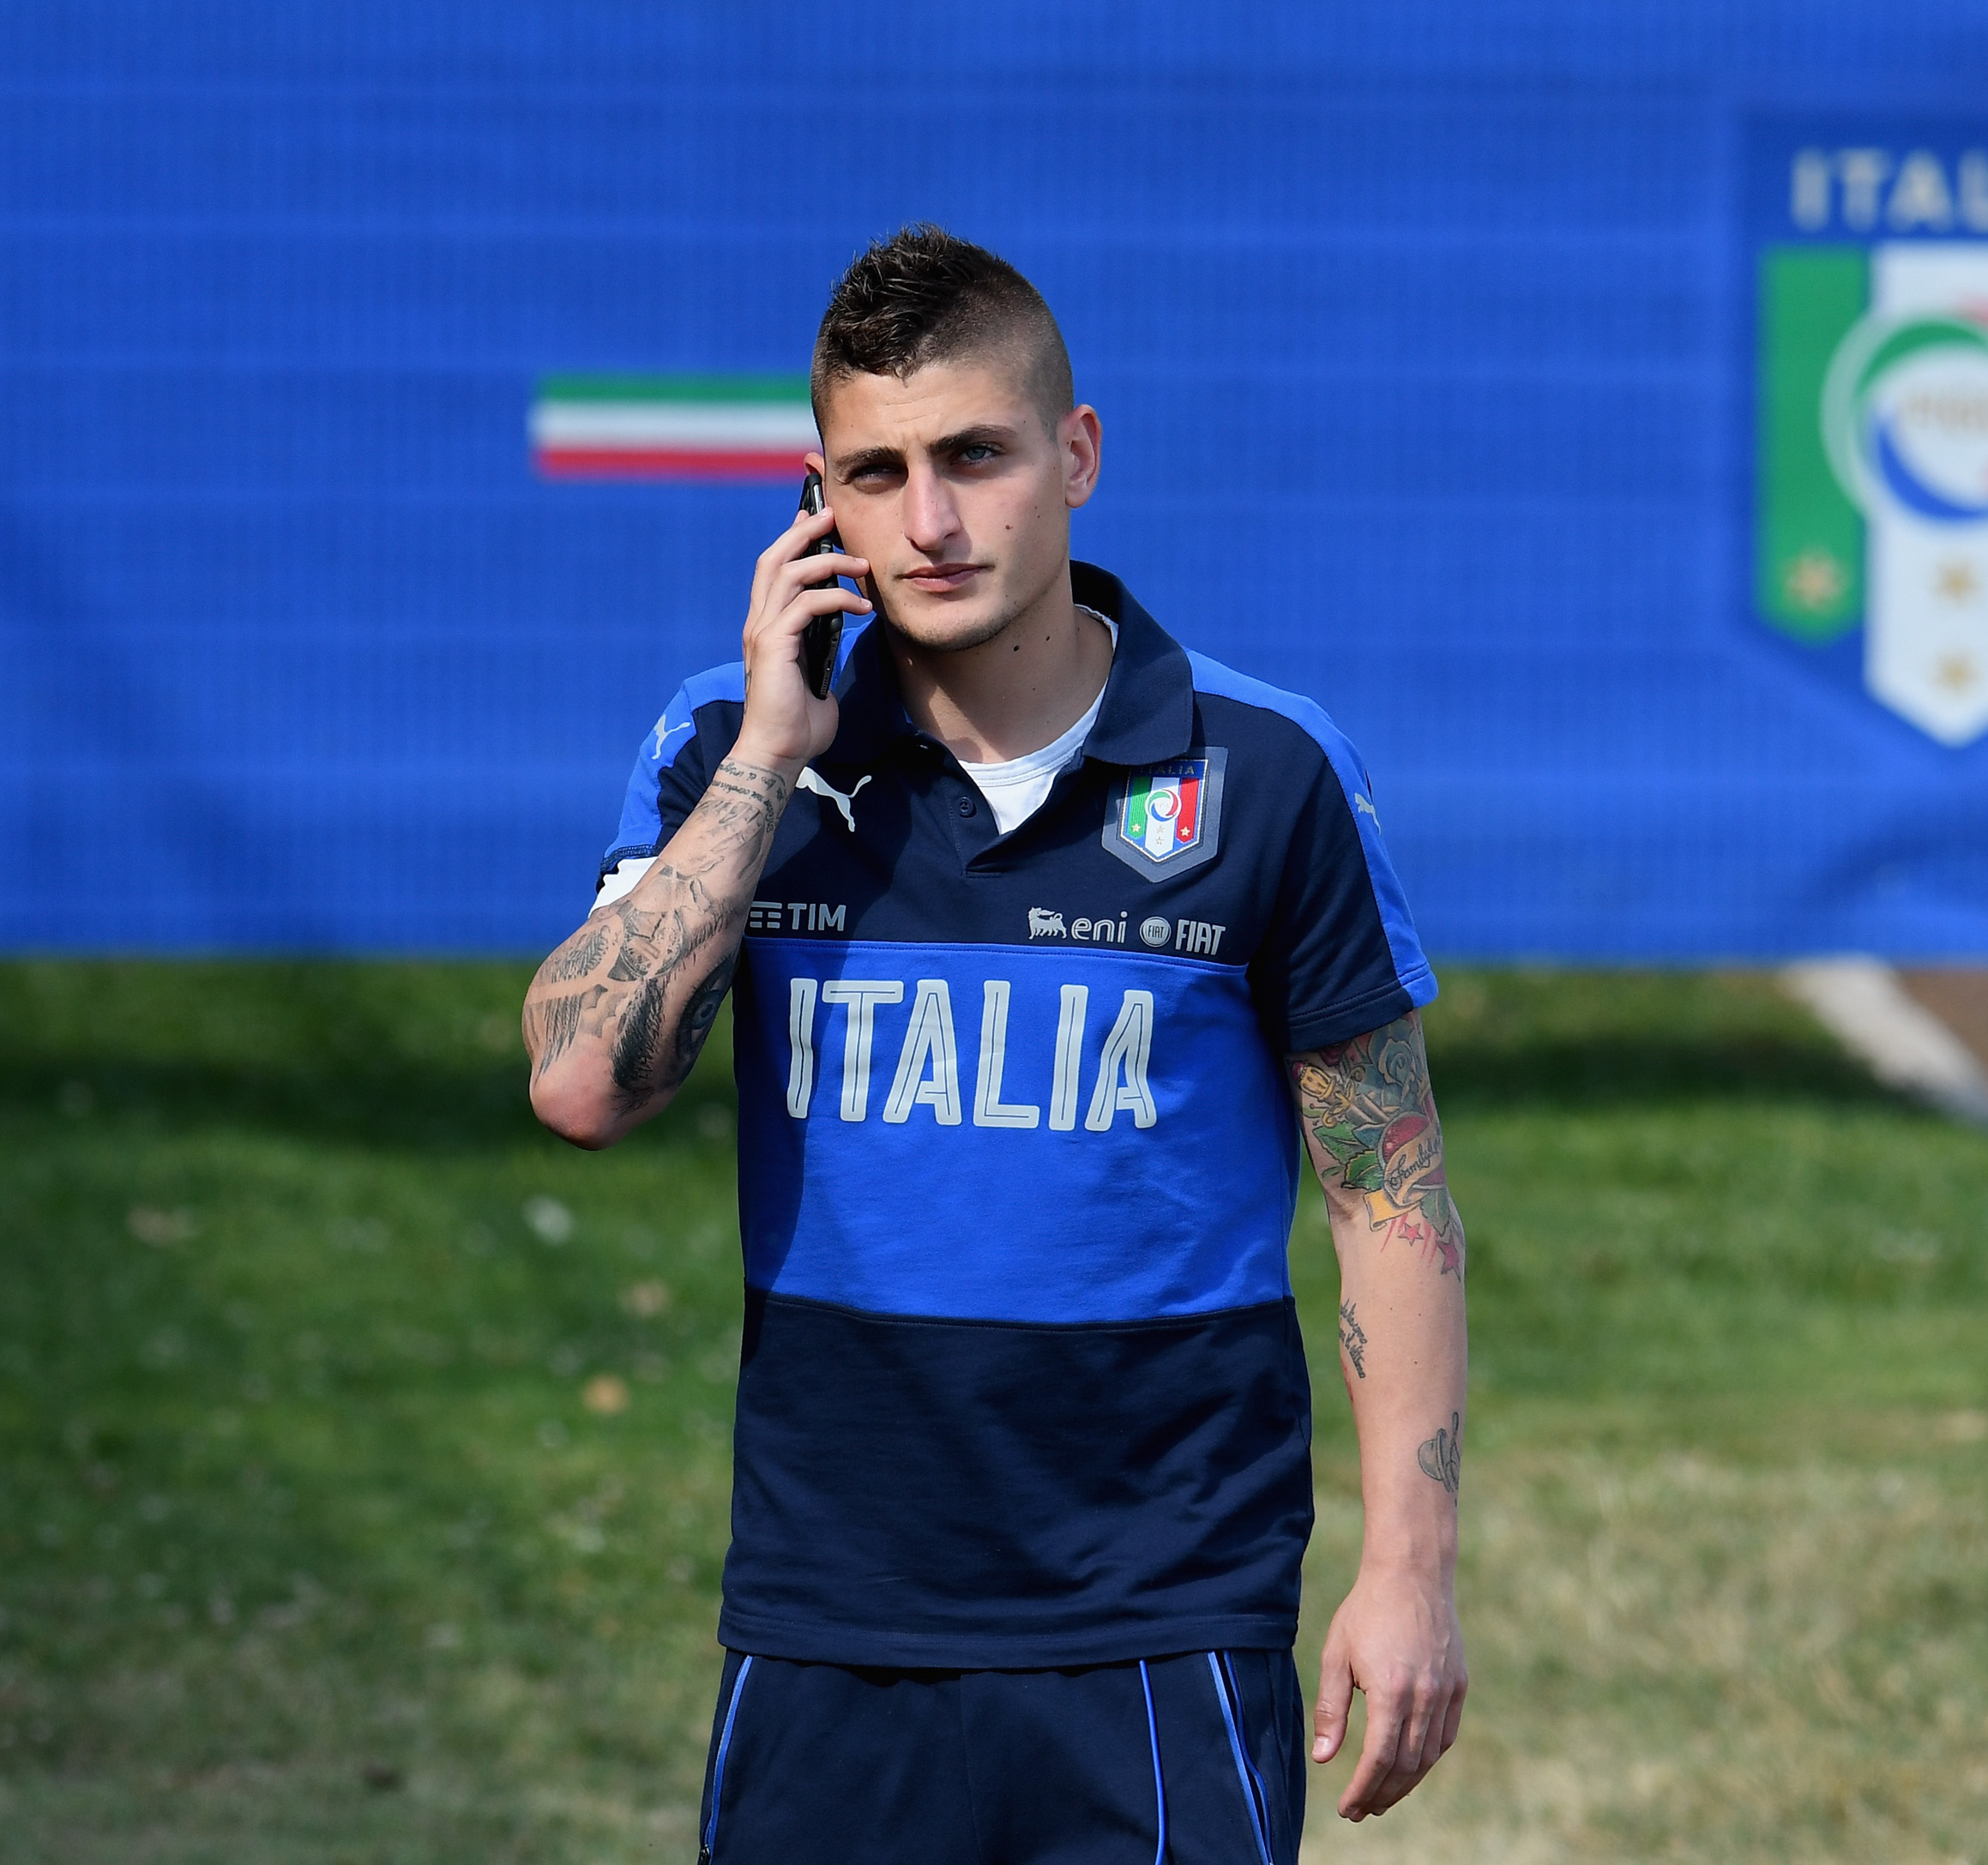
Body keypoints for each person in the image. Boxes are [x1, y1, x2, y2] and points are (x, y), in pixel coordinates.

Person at [521, 226, 1468, 1862]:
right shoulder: (721, 753)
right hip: (829, 1620)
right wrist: (769, 754)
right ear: (816, 497)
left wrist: (1408, 1573)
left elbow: (1387, 1187)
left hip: (1163, 1625)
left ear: (1077, 454)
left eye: (976, 455)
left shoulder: (1269, 771)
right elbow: (585, 1087)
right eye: (878, 474)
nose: (934, 522)